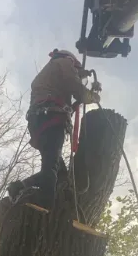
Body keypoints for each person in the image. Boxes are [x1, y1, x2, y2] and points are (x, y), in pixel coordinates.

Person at [7, 49, 101, 211]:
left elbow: (72, 98)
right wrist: (92, 97)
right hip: (50, 118)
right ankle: (46, 206)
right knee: (51, 165)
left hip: (41, 120)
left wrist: (84, 95)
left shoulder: (50, 76)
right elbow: (76, 89)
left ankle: (20, 187)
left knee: (59, 173)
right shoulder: (65, 62)